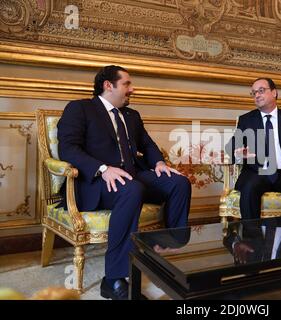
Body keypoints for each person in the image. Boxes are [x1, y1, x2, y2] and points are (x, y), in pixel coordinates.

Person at [57, 65, 191, 300]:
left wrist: (159, 164)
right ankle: (114, 280)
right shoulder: (80, 109)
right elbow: (68, 148)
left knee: (178, 182)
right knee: (132, 190)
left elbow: (148, 146)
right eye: (127, 84)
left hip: (132, 175)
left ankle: (167, 253)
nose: (132, 89)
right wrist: (103, 169)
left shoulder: (131, 115)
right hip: (97, 182)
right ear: (109, 85)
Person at [226, 77, 281, 241]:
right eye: (253, 93)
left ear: (274, 92)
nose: (256, 95)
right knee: (250, 187)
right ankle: (252, 240)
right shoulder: (247, 120)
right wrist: (239, 152)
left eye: (261, 90)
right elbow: (231, 146)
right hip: (257, 171)